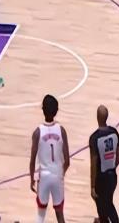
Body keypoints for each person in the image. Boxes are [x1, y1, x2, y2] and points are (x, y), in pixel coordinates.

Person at [29, 95, 70, 223]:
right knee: (60, 214)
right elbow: (67, 161)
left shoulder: (37, 132)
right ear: (57, 111)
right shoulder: (61, 131)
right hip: (57, 176)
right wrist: (61, 173)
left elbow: (32, 160)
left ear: (42, 109)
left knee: (40, 215)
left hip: (44, 177)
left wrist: (32, 179)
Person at [89, 105, 119, 223]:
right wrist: (112, 167)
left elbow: (93, 163)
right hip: (112, 177)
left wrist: (92, 186)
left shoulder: (94, 138)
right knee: (107, 203)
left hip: (100, 179)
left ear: (97, 117)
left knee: (105, 206)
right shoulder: (114, 132)